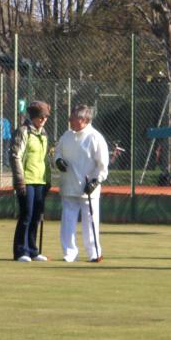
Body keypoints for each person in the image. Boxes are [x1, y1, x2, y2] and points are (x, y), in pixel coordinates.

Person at [53, 104, 109, 263]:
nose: (69, 120)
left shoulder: (95, 137)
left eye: (73, 118)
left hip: (88, 189)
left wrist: (96, 181)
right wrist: (58, 161)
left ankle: (94, 253)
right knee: (68, 222)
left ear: (84, 119)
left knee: (90, 222)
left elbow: (103, 166)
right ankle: (69, 254)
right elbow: (57, 152)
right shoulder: (66, 136)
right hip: (68, 186)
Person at [10, 101, 53, 262]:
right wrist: (19, 180)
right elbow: (16, 156)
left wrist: (48, 180)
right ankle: (21, 251)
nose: (43, 119)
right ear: (33, 116)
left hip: (40, 181)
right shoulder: (23, 132)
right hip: (26, 180)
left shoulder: (44, 134)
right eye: (40, 116)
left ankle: (33, 250)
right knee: (26, 215)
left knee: (37, 216)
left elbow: (45, 159)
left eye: (45, 117)